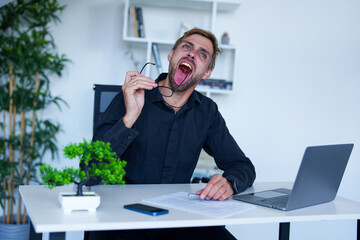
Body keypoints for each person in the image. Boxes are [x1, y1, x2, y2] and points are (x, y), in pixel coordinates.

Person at [89, 28, 256, 240]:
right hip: (123, 218)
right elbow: (91, 170)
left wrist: (230, 184)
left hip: (177, 220)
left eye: (202, 54)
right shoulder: (131, 96)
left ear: (207, 73)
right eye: (186, 47)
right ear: (171, 55)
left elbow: (243, 166)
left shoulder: (207, 111)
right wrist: (130, 116)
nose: (192, 54)